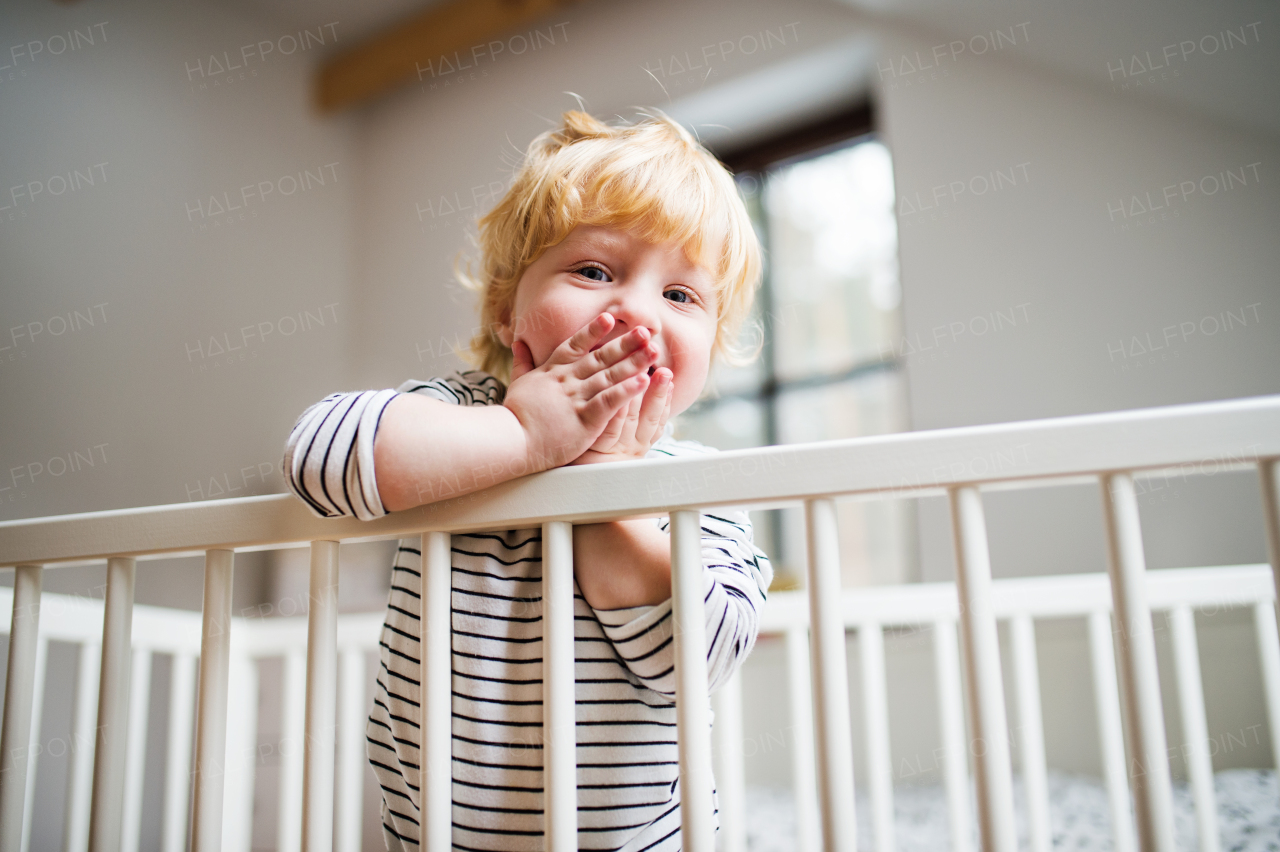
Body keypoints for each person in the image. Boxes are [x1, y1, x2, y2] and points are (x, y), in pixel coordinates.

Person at [282, 109, 773, 852]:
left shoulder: (696, 489)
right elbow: (317, 457)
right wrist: (524, 436)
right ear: (506, 307)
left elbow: (696, 661)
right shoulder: (462, 419)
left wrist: (604, 480)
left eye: (681, 295)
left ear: (711, 347)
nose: (634, 309)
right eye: (594, 271)